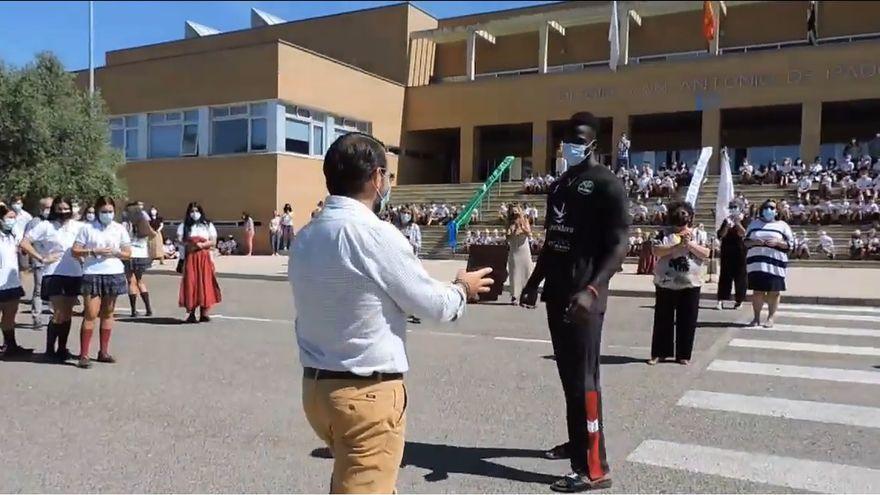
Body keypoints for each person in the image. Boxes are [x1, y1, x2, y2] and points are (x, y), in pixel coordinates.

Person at [290, 132, 493, 494]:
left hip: (319, 390)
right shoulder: (374, 234)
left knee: (355, 480)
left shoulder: (307, 235)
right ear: (376, 178)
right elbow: (433, 304)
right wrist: (462, 289)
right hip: (365, 394)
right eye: (386, 175)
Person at [519, 112, 627, 492]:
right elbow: (554, 240)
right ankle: (578, 442)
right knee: (569, 379)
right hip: (558, 294)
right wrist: (534, 281)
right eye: (566, 140)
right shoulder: (562, 184)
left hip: (586, 297)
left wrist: (593, 289)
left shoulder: (607, 185)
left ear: (593, 143)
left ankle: (594, 468)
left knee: (585, 380)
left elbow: (619, 245)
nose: (569, 146)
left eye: (577, 139)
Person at [20, 197, 85, 360]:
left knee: (68, 314)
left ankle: (62, 348)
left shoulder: (79, 226)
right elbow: (24, 243)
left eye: (65, 209)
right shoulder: (45, 226)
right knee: (58, 313)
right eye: (59, 209)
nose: (63, 212)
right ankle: (50, 350)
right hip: (53, 273)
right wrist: (41, 258)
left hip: (75, 273)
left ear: (71, 209)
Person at [71, 197, 131, 368]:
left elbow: (128, 253)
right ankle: (84, 355)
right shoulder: (87, 228)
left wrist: (117, 252)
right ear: (97, 212)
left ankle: (103, 351)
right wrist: (93, 251)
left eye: (110, 211)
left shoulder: (119, 229)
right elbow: (75, 251)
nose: (107, 214)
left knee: (108, 313)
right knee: (90, 313)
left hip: (113, 272)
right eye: (104, 211)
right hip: (93, 273)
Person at [648, 202, 710, 366]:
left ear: (690, 216)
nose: (681, 216)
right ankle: (660, 353)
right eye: (678, 212)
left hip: (691, 283)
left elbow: (706, 253)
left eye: (684, 213)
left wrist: (689, 244)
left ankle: (683, 354)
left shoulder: (698, 234)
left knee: (688, 319)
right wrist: (676, 246)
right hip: (666, 282)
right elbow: (656, 251)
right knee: (663, 318)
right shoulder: (663, 234)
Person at [744, 199, 793, 328]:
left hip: (775, 264)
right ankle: (756, 318)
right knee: (757, 291)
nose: (768, 210)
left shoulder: (783, 225)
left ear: (776, 211)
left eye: (772, 208)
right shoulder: (754, 224)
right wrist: (755, 242)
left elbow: (790, 244)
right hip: (757, 264)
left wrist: (777, 243)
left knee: (774, 292)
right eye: (766, 208)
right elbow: (746, 242)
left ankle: (770, 318)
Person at [177, 202, 221, 323]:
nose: (194, 213)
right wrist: (191, 244)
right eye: (192, 211)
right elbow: (180, 241)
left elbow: (213, 241)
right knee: (191, 283)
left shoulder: (207, 225)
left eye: (196, 210)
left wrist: (202, 244)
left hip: (204, 257)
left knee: (205, 283)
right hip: (191, 257)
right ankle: (191, 313)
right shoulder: (184, 225)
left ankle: (204, 313)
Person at [0, 204, 29, 357]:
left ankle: (10, 345)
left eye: (13, 217)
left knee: (10, 315)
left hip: (11, 282)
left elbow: (24, 244)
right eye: (9, 217)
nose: (12, 220)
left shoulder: (13, 233)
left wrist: (40, 257)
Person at [23, 197, 52, 329]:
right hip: (39, 261)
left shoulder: (55, 222)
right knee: (39, 290)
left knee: (54, 290)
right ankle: (36, 317)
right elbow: (26, 242)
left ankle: (55, 317)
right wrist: (35, 257)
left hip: (54, 261)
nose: (49, 210)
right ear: (41, 208)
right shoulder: (34, 222)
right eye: (47, 207)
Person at [122, 203, 155, 318]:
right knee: (140, 281)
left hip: (129, 254)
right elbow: (153, 235)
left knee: (131, 282)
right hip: (141, 255)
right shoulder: (144, 223)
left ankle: (133, 310)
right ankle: (148, 308)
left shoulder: (125, 225)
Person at [716, 203, 747, 310]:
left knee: (740, 277)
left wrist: (737, 223)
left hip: (740, 252)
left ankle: (739, 300)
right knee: (724, 277)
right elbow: (721, 235)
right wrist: (727, 227)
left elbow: (743, 233)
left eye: (735, 207)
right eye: (731, 207)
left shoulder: (744, 219)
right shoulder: (726, 220)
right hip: (727, 252)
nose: (733, 209)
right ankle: (721, 299)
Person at [506, 206, 533, 306]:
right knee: (514, 273)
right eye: (513, 212)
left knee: (527, 271)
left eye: (516, 211)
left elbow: (529, 233)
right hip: (514, 250)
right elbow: (507, 238)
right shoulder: (509, 223)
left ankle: (526, 295)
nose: (515, 214)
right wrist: (510, 232)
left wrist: (521, 229)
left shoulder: (525, 220)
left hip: (524, 249)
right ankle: (515, 295)